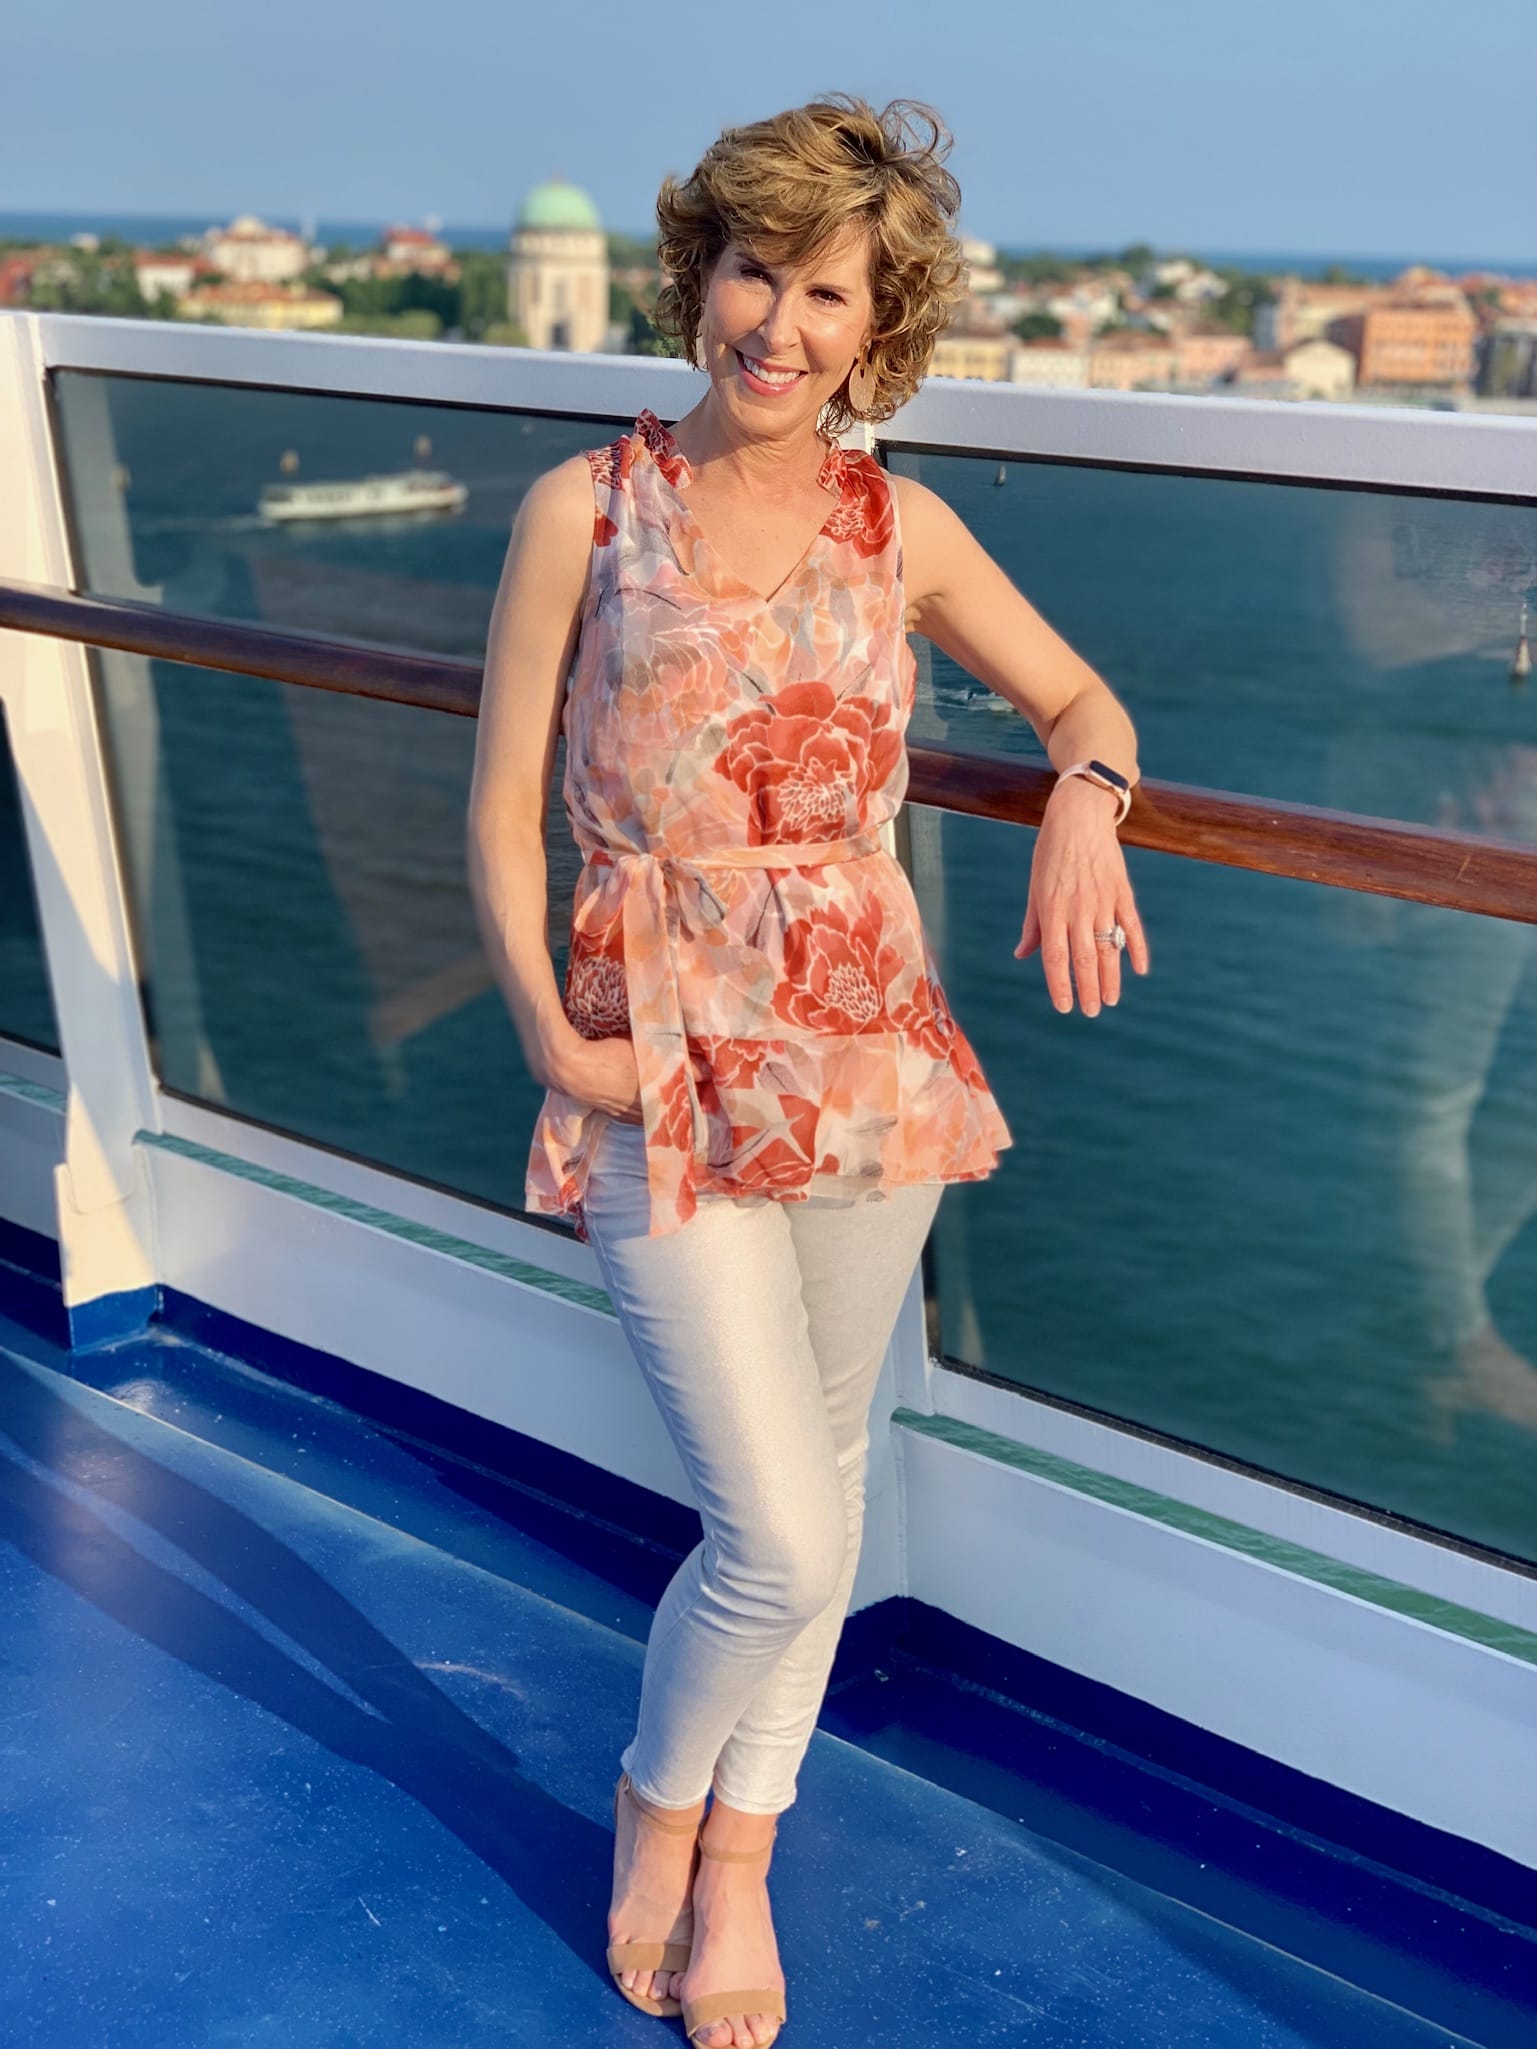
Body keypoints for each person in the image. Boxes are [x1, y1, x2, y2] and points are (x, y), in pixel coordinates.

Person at [466, 93, 1149, 2049]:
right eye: (753, 267)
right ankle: (653, 1811)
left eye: (825, 286)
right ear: (701, 276)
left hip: (867, 1054)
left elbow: (1080, 695)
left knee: (826, 1483)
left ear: (877, 322)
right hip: (653, 1050)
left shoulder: (899, 524)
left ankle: (741, 1854)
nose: (779, 319)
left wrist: (1084, 801)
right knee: (772, 1523)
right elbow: (503, 809)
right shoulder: (580, 511)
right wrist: (543, 1023)